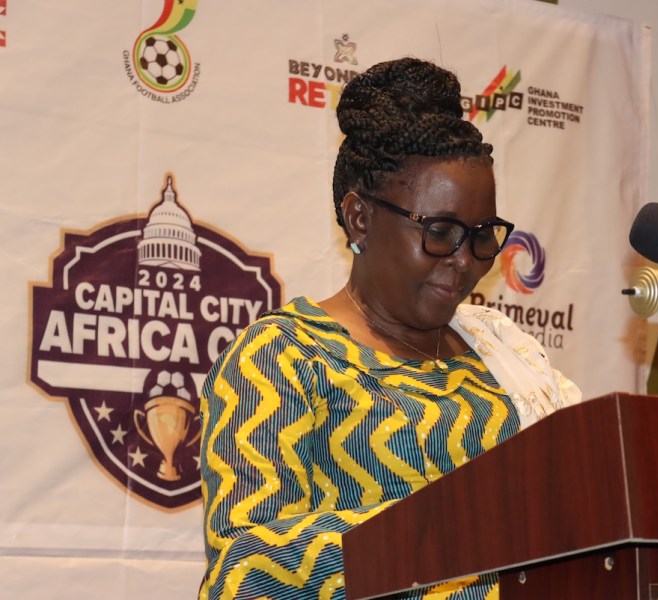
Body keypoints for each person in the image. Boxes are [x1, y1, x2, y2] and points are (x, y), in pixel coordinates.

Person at [199, 57, 581, 600]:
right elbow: (247, 565)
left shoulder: (503, 353)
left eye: (481, 235)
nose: (465, 261)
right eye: (441, 231)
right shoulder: (283, 355)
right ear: (360, 217)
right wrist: (473, 522)